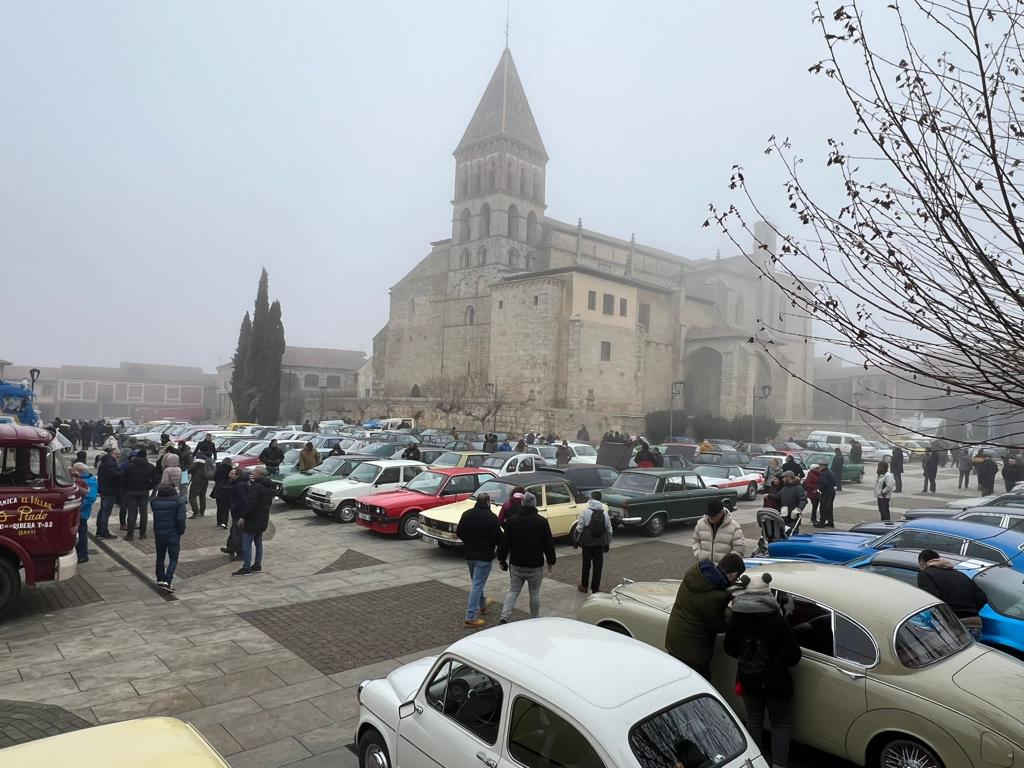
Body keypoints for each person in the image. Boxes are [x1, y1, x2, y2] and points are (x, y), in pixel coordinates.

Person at [723, 572, 801, 768]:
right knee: (780, 724)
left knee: (754, 721)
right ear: (768, 593)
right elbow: (794, 656)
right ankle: (779, 765)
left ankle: (755, 763)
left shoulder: (737, 618)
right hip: (777, 682)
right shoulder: (777, 620)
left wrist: (747, 659)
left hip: (748, 680)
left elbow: (728, 648)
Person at [664, 552, 747, 680]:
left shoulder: (695, 574)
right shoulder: (716, 597)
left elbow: (702, 600)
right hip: (693, 651)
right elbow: (720, 626)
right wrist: (732, 609)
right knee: (702, 684)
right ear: (734, 575)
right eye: (737, 578)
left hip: (674, 640)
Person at [496, 491, 556, 623]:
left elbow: (505, 543)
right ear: (534, 504)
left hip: (516, 563)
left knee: (513, 591)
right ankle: (534, 618)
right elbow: (548, 544)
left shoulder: (512, 522)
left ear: (522, 504)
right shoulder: (541, 522)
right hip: (535, 564)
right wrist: (551, 561)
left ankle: (505, 616)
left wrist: (501, 558)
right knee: (534, 593)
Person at [456, 492, 502, 628]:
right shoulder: (491, 518)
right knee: (477, 585)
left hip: (469, 555)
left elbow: (459, 532)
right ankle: (470, 617)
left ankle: (483, 605)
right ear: (488, 502)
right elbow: (499, 538)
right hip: (484, 557)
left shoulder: (467, 514)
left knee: (477, 583)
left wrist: (469, 542)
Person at [917, 549, 987, 638]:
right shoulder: (959, 574)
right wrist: (970, 610)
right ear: (938, 559)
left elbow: (933, 600)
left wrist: (951, 613)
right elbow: (981, 597)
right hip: (975, 623)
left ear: (922, 562)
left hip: (953, 625)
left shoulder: (925, 575)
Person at [233, 466, 274, 575]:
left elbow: (250, 504)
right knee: (258, 542)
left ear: (259, 474)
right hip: (263, 519)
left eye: (254, 471)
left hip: (253, 519)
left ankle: (246, 567)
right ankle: (257, 564)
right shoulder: (269, 486)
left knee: (246, 543)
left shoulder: (256, 487)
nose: (252, 473)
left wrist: (243, 517)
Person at [151, 484, 187, 593]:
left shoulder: (154, 502)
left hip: (159, 532)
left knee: (160, 556)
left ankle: (160, 579)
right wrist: (181, 531)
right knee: (173, 557)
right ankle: (168, 580)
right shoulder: (178, 502)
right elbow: (181, 520)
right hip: (173, 533)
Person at [575, 492, 612, 594]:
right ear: (600, 500)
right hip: (599, 544)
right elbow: (609, 530)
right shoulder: (604, 513)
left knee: (586, 565)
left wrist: (577, 541)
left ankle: (584, 586)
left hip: (587, 543)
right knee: (598, 567)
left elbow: (580, 528)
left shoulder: (585, 512)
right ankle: (595, 589)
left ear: (591, 499)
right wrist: (607, 543)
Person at [123, 450, 158, 540]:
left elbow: (122, 480)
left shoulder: (129, 467)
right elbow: (156, 480)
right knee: (144, 513)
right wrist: (149, 487)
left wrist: (126, 488)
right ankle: (142, 534)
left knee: (132, 513)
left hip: (130, 491)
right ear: (146, 456)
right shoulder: (150, 467)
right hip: (144, 492)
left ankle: (130, 535)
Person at [72, 462, 97, 564]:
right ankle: (78, 552)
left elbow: (90, 498)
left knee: (82, 533)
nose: (72, 471)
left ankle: (83, 554)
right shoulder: (78, 480)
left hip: (82, 513)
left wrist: (79, 508)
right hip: (77, 513)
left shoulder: (89, 482)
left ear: (80, 471)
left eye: (74, 470)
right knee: (77, 533)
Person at [222, 467, 249, 559]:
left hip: (239, 513)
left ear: (238, 475)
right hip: (237, 512)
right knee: (233, 531)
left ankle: (240, 553)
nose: (230, 475)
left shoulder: (239, 486)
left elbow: (242, 500)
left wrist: (234, 508)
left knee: (237, 533)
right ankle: (231, 547)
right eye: (230, 473)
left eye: (232, 474)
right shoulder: (237, 484)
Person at [95, 448, 121, 540]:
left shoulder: (104, 462)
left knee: (102, 510)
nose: (118, 456)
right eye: (117, 454)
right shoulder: (111, 463)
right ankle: (104, 532)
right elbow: (114, 475)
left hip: (104, 490)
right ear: (112, 454)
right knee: (106, 512)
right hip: (109, 491)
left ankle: (99, 530)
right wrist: (122, 472)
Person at [212, 457, 234, 529]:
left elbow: (214, 478)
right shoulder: (231, 470)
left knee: (219, 507)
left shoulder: (219, 469)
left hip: (218, 490)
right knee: (226, 508)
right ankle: (224, 523)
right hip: (228, 491)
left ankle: (219, 521)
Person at [188, 454, 210, 518]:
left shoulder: (196, 464)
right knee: (202, 496)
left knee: (192, 496)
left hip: (196, 481)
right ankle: (202, 511)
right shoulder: (206, 465)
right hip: (205, 481)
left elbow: (190, 469)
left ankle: (195, 512)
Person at [816, 460, 837, 528]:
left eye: (819, 465)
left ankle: (821, 523)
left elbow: (824, 483)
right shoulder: (831, 472)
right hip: (832, 491)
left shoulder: (823, 473)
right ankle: (830, 522)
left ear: (823, 466)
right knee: (829, 508)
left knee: (823, 508)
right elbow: (834, 482)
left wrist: (819, 489)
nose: (819, 467)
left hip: (826, 493)